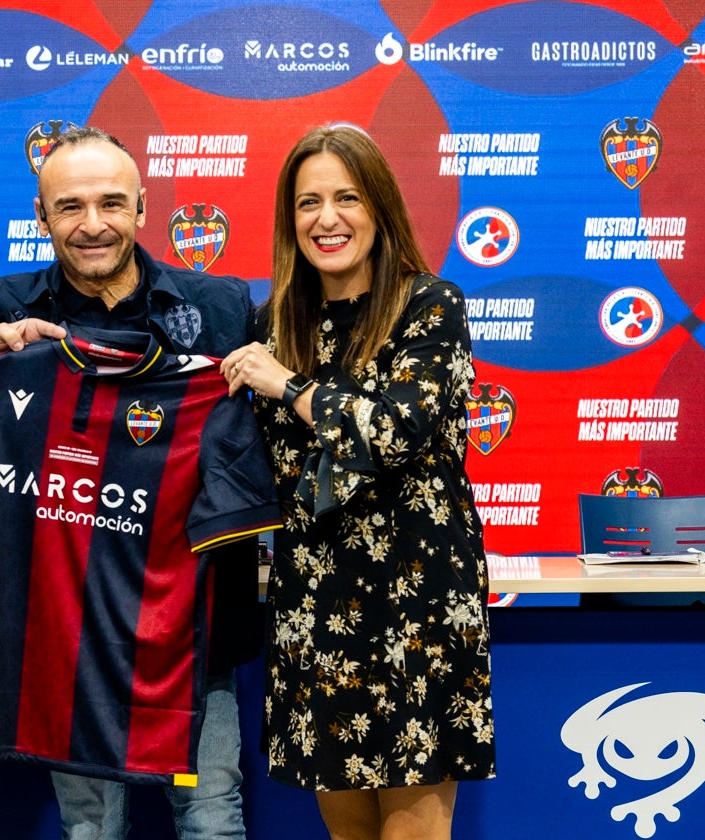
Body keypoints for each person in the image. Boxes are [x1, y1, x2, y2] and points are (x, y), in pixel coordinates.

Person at [0, 126, 261, 840]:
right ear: (41, 218)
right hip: (67, 624)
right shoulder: (9, 307)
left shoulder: (219, 306)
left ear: (142, 208)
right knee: (91, 828)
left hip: (191, 617)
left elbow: (255, 445)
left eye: (109, 203)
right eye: (69, 207)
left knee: (212, 817)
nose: (91, 224)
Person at [220, 125, 495, 840]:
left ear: (380, 207)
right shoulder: (275, 321)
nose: (327, 218)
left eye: (346, 197)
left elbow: (390, 434)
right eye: (308, 202)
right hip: (315, 605)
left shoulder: (431, 305)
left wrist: (286, 386)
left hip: (419, 605)